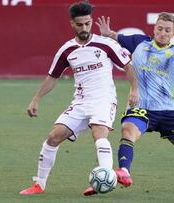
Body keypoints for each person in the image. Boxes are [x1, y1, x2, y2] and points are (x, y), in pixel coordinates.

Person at [19, 1, 139, 196]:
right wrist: (36, 99)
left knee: (99, 133)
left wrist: (135, 89)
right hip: (80, 102)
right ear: (72, 24)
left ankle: (106, 177)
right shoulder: (66, 50)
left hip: (104, 99)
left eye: (88, 23)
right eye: (80, 24)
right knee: (53, 137)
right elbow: (53, 77)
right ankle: (39, 185)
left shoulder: (106, 44)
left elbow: (128, 66)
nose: (85, 28)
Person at [94, 12, 174, 193]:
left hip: (167, 111)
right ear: (154, 29)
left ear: (173, 33)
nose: (163, 33)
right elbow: (116, 37)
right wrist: (108, 33)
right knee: (127, 132)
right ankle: (124, 171)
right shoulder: (139, 42)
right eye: (160, 29)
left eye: (167, 30)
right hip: (141, 107)